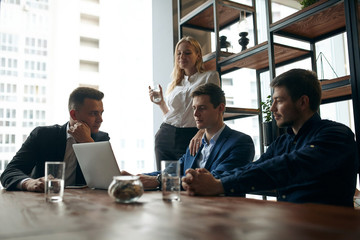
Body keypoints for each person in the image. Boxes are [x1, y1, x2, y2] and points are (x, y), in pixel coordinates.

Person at [182, 69, 359, 208]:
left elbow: (290, 166)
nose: (272, 108)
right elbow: (253, 167)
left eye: (279, 101)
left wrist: (219, 185)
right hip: (290, 227)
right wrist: (214, 180)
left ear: (303, 102)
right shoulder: (282, 143)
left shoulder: (337, 134)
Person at [124, 83, 254, 190]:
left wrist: (158, 181)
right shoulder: (195, 144)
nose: (196, 114)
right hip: (189, 208)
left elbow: (212, 180)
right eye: (194, 108)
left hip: (220, 212)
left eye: (202, 108)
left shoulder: (241, 142)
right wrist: (135, 178)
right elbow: (172, 171)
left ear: (220, 108)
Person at [0, 87, 110, 192]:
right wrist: (29, 183)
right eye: (93, 113)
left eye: (101, 113)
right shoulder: (43, 135)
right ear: (74, 114)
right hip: (42, 202)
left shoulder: (101, 139)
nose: (100, 119)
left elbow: (107, 181)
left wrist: (87, 142)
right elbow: (9, 172)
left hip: (84, 205)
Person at [149, 36, 220, 170]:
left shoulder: (210, 77)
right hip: (165, 135)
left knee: (188, 180)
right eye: (179, 53)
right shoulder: (173, 84)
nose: (182, 56)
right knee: (164, 180)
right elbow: (172, 115)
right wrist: (161, 103)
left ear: (198, 55)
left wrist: (201, 133)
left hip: (192, 136)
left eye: (187, 52)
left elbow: (216, 110)